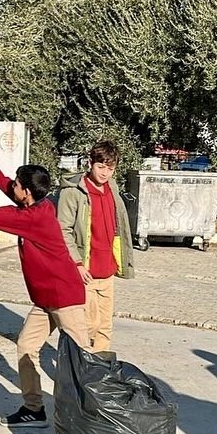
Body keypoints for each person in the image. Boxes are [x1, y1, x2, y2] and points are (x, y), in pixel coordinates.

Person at [0, 143, 94, 429]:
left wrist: (11, 205)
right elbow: (3, 181)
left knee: (83, 357)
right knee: (26, 346)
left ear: (26, 193)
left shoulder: (34, 218)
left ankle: (93, 411)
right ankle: (34, 408)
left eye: (17, 186)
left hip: (64, 297)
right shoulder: (36, 205)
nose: (11, 187)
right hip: (44, 299)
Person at [56, 140, 134, 355]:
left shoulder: (112, 188)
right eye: (101, 167)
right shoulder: (73, 192)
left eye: (110, 168)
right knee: (88, 326)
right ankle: (78, 369)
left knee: (105, 328)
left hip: (107, 271)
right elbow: (62, 230)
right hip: (84, 272)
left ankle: (100, 374)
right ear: (90, 163)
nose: (105, 173)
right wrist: (77, 264)